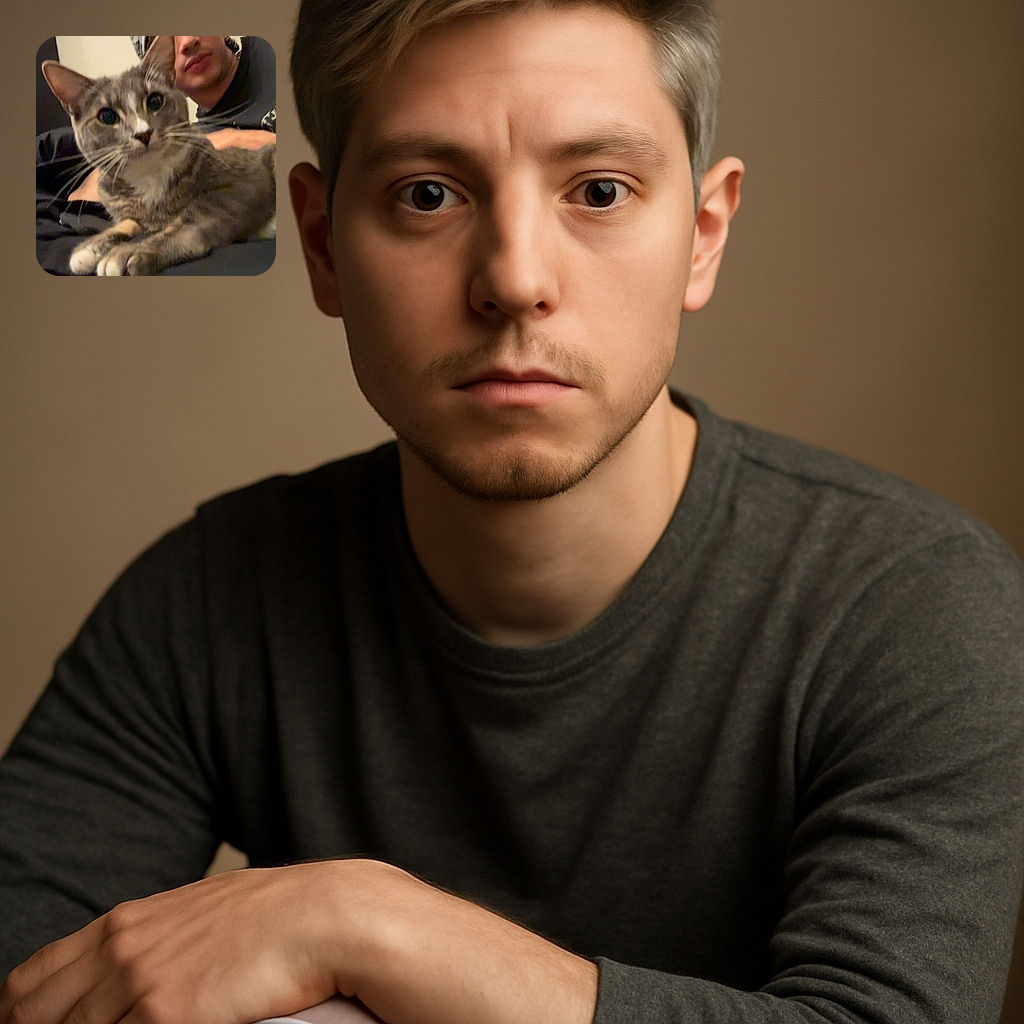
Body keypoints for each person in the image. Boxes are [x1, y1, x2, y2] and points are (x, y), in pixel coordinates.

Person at [5, 1, 1023, 1022]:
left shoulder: (917, 606)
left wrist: (363, 921)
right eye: (429, 193)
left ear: (702, 238)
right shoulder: (206, 602)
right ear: (320, 243)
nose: (514, 279)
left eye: (600, 189)